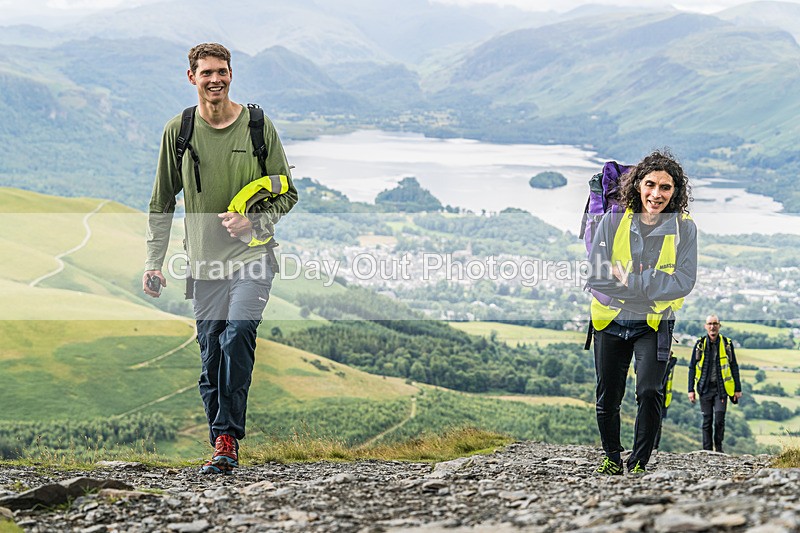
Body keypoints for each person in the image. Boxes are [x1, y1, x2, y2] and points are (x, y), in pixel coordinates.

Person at [143, 43, 298, 474]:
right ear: (191, 77)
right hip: (204, 264)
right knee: (211, 356)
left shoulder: (257, 126)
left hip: (254, 258)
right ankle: (220, 442)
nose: (216, 79)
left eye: (223, 71)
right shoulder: (179, 131)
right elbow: (161, 201)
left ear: (232, 74)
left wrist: (255, 225)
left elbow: (289, 192)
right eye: (207, 72)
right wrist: (154, 261)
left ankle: (227, 437)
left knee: (237, 335)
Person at [586, 149, 697, 475]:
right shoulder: (613, 220)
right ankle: (611, 457)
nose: (656, 194)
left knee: (650, 392)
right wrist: (651, 286)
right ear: (638, 185)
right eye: (650, 185)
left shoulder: (684, 229)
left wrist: (631, 279)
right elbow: (596, 276)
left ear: (676, 191)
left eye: (666, 187)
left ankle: (638, 463)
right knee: (608, 396)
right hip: (610, 319)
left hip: (653, 322)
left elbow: (684, 281)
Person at [688, 315, 742, 453]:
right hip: (704, 389)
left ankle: (718, 448)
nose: (712, 326)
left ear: (719, 326)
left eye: (715, 324)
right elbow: (692, 367)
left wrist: (737, 389)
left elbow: (734, 366)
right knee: (707, 421)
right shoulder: (699, 344)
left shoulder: (727, 344)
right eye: (710, 324)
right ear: (706, 326)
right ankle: (707, 450)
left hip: (721, 389)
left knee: (719, 419)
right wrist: (691, 390)